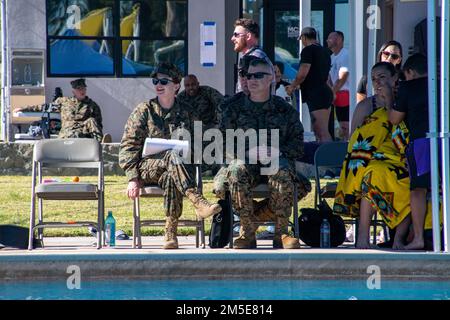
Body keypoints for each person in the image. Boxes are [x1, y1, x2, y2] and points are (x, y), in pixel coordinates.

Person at [119, 62, 221, 250]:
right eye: (155, 80)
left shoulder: (188, 112)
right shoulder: (144, 110)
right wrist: (132, 178)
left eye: (163, 81)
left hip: (178, 169)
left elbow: (199, 143)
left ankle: (170, 233)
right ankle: (197, 200)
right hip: (149, 167)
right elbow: (128, 146)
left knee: (170, 176)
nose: (158, 84)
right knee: (172, 156)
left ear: (176, 85)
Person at [219, 58, 306, 249]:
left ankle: (281, 232)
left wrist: (278, 151)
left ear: (271, 79)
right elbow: (223, 143)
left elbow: (298, 144)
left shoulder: (284, 110)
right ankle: (247, 233)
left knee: (281, 171)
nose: (252, 79)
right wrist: (248, 152)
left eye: (259, 75)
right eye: (249, 75)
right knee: (236, 170)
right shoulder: (233, 109)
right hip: (245, 162)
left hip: (275, 163)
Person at [333, 62, 413, 249]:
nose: (377, 82)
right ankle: (363, 236)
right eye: (374, 79)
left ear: (395, 78)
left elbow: (405, 136)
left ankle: (398, 239)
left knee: (414, 184)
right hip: (365, 161)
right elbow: (354, 141)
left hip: (398, 159)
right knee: (371, 174)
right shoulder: (365, 106)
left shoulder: (404, 102)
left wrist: (391, 103)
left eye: (382, 77)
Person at [387, 53, 431, 250]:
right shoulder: (442, 84)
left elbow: (394, 119)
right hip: (444, 141)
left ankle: (419, 238)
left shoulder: (408, 87)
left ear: (410, 72)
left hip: (421, 142)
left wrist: (390, 100)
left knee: (418, 190)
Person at [14, 79, 109, 142]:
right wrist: (24, 108)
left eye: (84, 88)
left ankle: (101, 144)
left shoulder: (92, 105)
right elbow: (44, 107)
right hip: (67, 134)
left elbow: (98, 124)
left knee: (91, 120)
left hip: (83, 134)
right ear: (73, 91)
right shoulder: (64, 102)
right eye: (79, 89)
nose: (82, 91)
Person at [286, 27, 333, 142]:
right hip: (324, 92)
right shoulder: (325, 51)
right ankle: (323, 157)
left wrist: (292, 86)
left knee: (321, 132)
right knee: (320, 131)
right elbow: (325, 75)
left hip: (316, 93)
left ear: (304, 37)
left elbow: (303, 72)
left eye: (301, 39)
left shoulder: (308, 50)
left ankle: (329, 158)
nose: (301, 42)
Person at [231, 18, 275, 94]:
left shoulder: (255, 59)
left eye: (236, 35)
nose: (232, 38)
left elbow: (252, 92)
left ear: (248, 36)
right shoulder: (257, 56)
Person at [327, 31, 350, 140]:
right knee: (342, 126)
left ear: (339, 39)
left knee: (346, 125)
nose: (327, 40)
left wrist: (332, 92)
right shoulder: (331, 57)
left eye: (330, 38)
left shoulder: (345, 54)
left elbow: (343, 77)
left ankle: (349, 146)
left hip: (345, 94)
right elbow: (331, 78)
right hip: (336, 94)